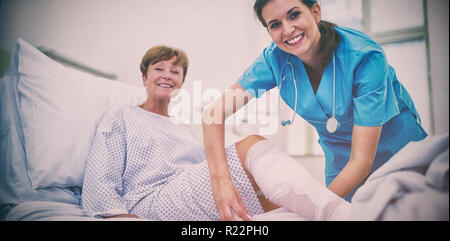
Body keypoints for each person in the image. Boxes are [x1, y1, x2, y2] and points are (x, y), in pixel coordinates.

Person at [201, 0, 428, 221]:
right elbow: (213, 115)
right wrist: (222, 183)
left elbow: (361, 160)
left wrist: (306, 211)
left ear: (315, 12)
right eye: (275, 24)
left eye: (294, 14)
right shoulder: (274, 61)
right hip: (339, 159)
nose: (288, 30)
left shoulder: (364, 57)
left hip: (395, 147)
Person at [81, 45, 353, 221]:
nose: (167, 75)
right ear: (144, 78)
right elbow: (100, 175)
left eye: (175, 71)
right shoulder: (123, 116)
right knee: (250, 145)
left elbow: (201, 168)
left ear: (180, 83)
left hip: (187, 195)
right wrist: (119, 216)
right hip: (151, 202)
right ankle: (343, 215)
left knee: (284, 205)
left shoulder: (182, 126)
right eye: (159, 68)